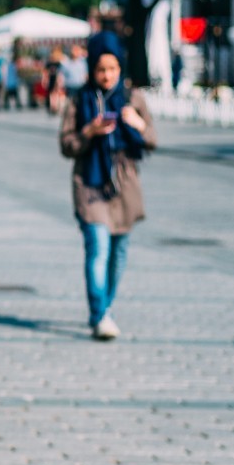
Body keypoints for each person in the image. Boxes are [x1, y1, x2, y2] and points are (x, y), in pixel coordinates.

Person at [59, 32, 155, 340]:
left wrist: (137, 123)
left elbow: (152, 139)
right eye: (101, 70)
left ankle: (105, 308)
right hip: (90, 181)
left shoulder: (133, 98)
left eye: (112, 69)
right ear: (92, 68)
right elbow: (67, 144)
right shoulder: (80, 99)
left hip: (124, 184)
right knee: (97, 247)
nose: (107, 76)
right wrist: (89, 130)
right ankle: (100, 314)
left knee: (119, 251)